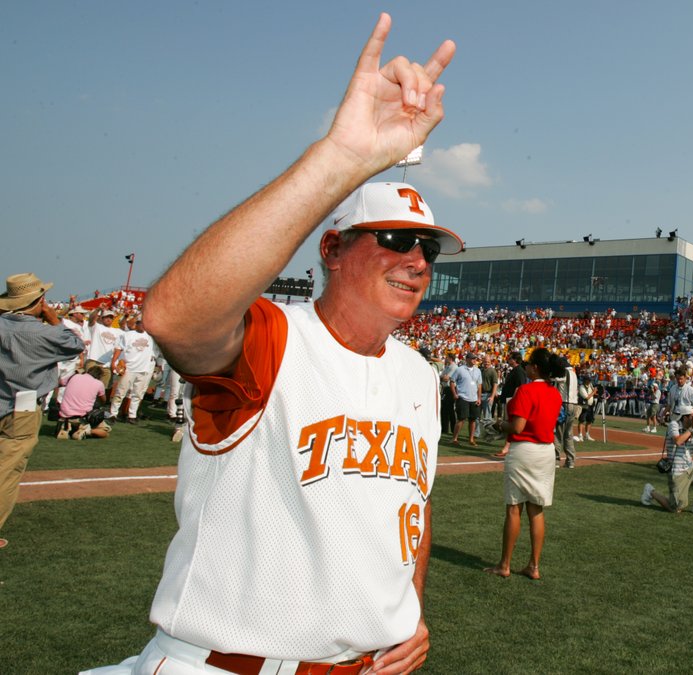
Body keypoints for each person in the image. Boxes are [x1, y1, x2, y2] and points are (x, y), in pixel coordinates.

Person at [84, 14, 458, 674]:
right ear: (333, 249)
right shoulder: (275, 336)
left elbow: (412, 506)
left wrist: (409, 612)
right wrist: (342, 158)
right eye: (395, 240)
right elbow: (173, 317)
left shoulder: (419, 374)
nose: (417, 260)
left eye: (427, 247)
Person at [0, 273, 85, 548]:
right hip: (22, 407)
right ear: (39, 300)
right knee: (7, 470)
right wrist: (52, 317)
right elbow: (75, 345)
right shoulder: (43, 332)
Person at [484, 347, 565, 581]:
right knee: (536, 510)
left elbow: (517, 427)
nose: (526, 367)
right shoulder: (555, 393)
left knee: (513, 508)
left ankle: (505, 564)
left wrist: (499, 425)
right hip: (546, 452)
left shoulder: (526, 390)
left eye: (529, 364)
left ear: (536, 368)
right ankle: (534, 566)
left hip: (524, 452)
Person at [641, 405, 693, 517]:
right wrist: (691, 429)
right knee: (676, 509)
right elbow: (678, 441)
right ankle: (651, 492)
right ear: (685, 417)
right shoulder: (674, 425)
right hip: (677, 471)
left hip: (691, 467)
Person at [107, 317, 159, 425]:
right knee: (120, 392)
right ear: (137, 323)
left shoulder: (151, 337)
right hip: (129, 368)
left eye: (144, 323)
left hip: (144, 369)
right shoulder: (128, 335)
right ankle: (113, 414)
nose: (142, 325)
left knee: (138, 394)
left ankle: (132, 415)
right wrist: (114, 362)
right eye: (140, 323)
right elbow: (118, 348)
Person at [55, 365, 109, 440]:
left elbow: (59, 383)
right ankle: (86, 431)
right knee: (105, 432)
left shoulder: (74, 376)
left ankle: (66, 428)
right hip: (82, 417)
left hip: (64, 414)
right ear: (100, 376)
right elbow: (103, 400)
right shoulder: (99, 384)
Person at [491, 351, 529, 458]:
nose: (508, 359)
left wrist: (514, 401)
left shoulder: (519, 371)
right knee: (509, 424)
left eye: (510, 358)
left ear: (515, 360)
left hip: (512, 400)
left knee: (510, 424)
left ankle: (507, 448)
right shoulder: (515, 370)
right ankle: (510, 447)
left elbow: (520, 387)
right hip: (509, 399)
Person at [450, 352, 483, 446]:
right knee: (461, 419)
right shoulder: (460, 369)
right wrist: (455, 394)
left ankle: (471, 439)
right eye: (472, 358)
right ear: (467, 359)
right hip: (463, 397)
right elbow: (452, 381)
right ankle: (455, 438)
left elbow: (479, 385)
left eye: (475, 358)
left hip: (474, 398)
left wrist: (479, 398)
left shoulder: (478, 371)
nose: (474, 360)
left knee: (473, 420)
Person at [553, 362, 580, 468]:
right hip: (573, 404)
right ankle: (570, 461)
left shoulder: (565, 372)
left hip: (564, 404)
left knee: (558, 433)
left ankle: (556, 460)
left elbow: (557, 380)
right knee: (568, 434)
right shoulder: (573, 373)